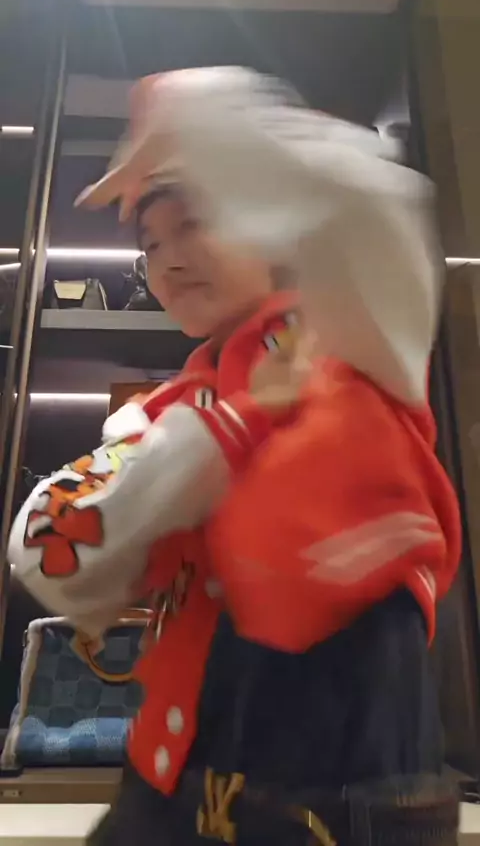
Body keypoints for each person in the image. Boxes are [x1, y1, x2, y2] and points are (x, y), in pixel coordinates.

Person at [10, 68, 461, 846]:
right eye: (151, 242)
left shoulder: (354, 338)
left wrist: (202, 118)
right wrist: (230, 431)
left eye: (197, 223)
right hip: (167, 789)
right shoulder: (170, 413)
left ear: (274, 225)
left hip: (337, 797)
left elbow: (373, 202)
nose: (169, 257)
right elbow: (47, 549)